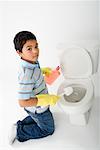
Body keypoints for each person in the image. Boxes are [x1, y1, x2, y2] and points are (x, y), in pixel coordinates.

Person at [8, 31, 60, 144]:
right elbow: (22, 102)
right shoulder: (27, 74)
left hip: (37, 108)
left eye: (36, 46)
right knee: (48, 129)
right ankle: (19, 131)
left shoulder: (31, 61)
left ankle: (19, 125)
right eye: (29, 48)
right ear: (19, 52)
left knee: (38, 117)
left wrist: (42, 71)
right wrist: (45, 99)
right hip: (38, 108)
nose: (35, 51)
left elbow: (33, 76)